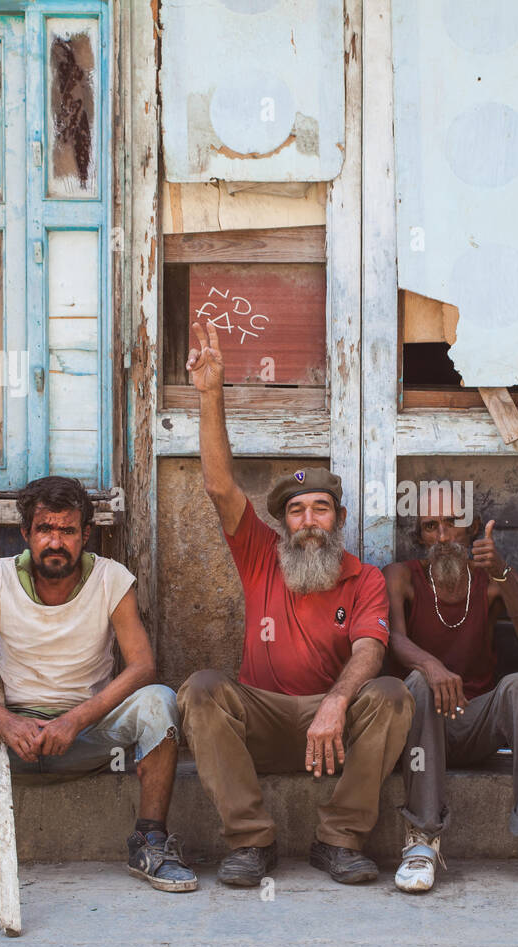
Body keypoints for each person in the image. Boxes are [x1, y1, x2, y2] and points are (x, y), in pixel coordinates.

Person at [177, 321, 412, 886]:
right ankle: (251, 841)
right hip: (260, 714)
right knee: (199, 691)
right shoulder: (260, 553)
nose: (309, 521)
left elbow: (370, 651)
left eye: (321, 509)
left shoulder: (364, 578)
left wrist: (334, 704)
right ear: (282, 523)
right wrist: (211, 394)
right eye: (297, 511)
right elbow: (218, 486)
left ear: (340, 519)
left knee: (392, 694)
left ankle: (339, 838)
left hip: (330, 724)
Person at [0, 476, 196, 895]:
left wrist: (74, 720)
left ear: (85, 534)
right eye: (45, 530)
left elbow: (142, 667)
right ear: (26, 533)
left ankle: (150, 842)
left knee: (159, 701)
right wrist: (4, 721)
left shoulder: (111, 580)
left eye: (67, 531)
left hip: (87, 735)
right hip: (8, 739)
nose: (55, 541)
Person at [384, 491, 518, 894]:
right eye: (432, 526)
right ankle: (422, 840)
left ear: (471, 528)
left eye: (453, 523)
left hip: (477, 719)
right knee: (414, 681)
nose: (444, 534)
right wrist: (432, 666)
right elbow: (394, 640)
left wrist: (502, 571)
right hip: (423, 726)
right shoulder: (401, 575)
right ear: (420, 535)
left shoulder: (491, 578)